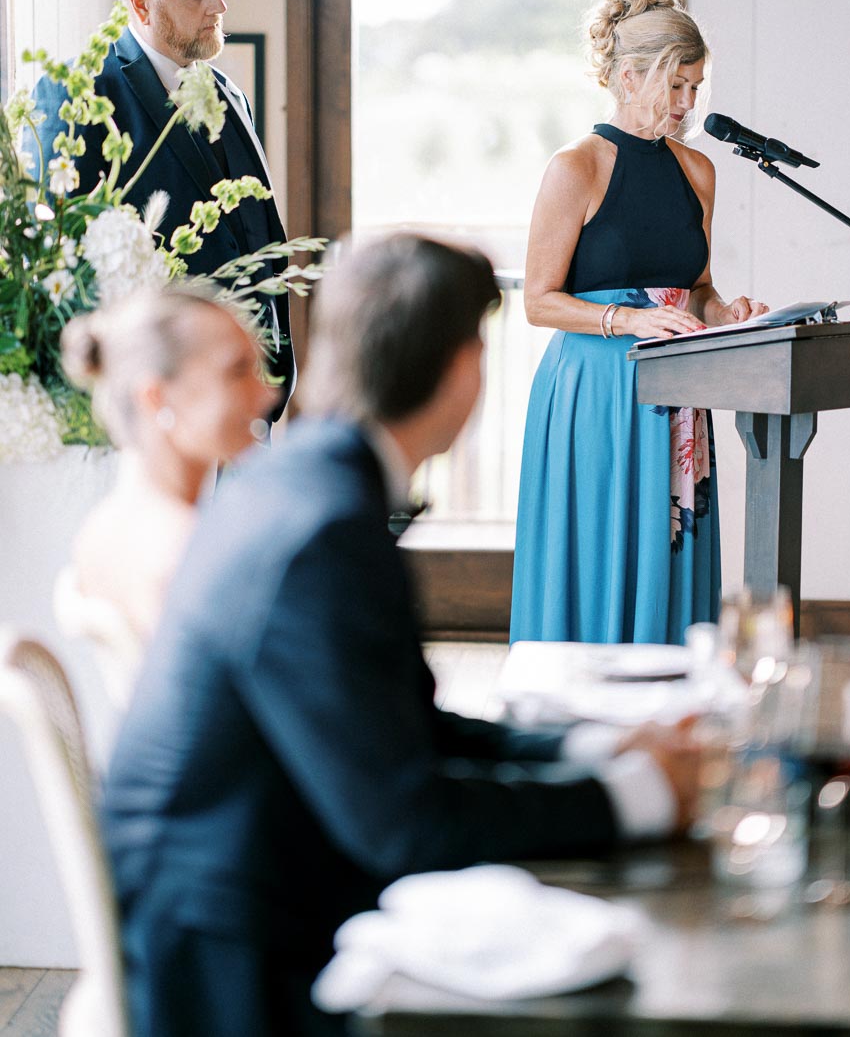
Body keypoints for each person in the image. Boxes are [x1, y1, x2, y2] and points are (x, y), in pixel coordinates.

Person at [102, 232, 701, 1037]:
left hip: (264, 893)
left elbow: (408, 729)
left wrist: (592, 747)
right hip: (237, 957)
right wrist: (637, 796)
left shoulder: (302, 481)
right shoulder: (319, 527)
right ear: (464, 372)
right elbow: (405, 825)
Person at [510, 0, 767, 647]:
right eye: (675, 86)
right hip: (595, 396)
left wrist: (723, 309)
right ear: (629, 76)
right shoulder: (575, 168)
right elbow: (539, 301)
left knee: (670, 556)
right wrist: (629, 321)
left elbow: (700, 286)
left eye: (695, 87)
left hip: (680, 394)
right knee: (600, 552)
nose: (686, 105)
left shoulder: (699, 171)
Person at [26, 0, 295, 416]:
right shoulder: (74, 93)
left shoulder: (229, 95)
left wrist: (275, 376)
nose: (219, 4)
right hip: (164, 405)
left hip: (251, 402)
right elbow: (60, 266)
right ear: (141, 3)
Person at [58, 287, 275, 692]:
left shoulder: (106, 528)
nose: (267, 393)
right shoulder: (180, 552)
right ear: (156, 397)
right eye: (237, 371)